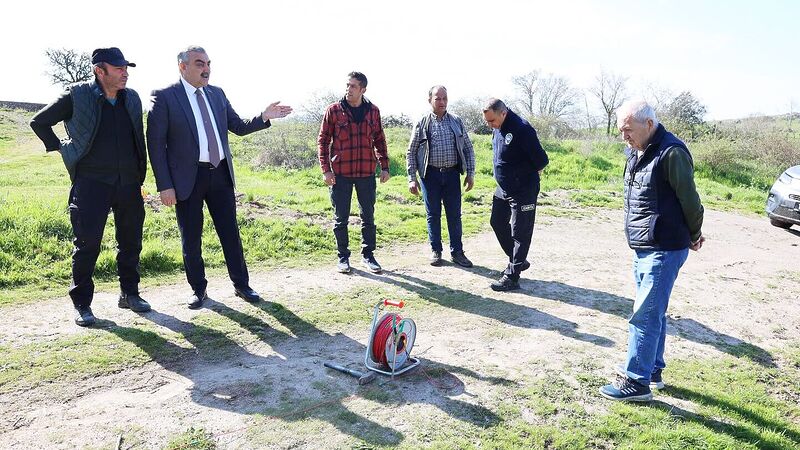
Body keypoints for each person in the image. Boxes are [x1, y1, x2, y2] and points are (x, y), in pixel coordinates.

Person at [146, 46, 292, 309]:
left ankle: (242, 285)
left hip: (220, 174)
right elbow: (155, 145)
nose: (207, 69)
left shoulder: (217, 94)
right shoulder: (165, 97)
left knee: (230, 233)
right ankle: (198, 289)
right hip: (187, 180)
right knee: (191, 236)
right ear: (182, 67)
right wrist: (164, 185)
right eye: (200, 63)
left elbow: (237, 126)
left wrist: (263, 117)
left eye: (209, 63)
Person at [29, 47, 151, 326]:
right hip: (91, 183)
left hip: (128, 183)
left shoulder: (131, 99)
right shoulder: (78, 95)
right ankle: (82, 304)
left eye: (126, 68)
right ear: (100, 70)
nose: (125, 73)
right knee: (87, 245)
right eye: (119, 68)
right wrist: (63, 149)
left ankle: (130, 294)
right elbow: (39, 122)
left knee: (131, 242)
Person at [599, 100, 704, 402]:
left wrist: (694, 235)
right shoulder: (639, 149)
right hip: (645, 245)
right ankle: (653, 368)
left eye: (628, 131)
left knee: (644, 315)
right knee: (653, 313)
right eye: (622, 131)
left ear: (648, 124)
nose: (624, 137)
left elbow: (690, 201)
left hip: (664, 247)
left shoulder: (672, 153)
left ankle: (636, 380)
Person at [317, 71, 390, 274]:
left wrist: (384, 166)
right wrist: (326, 170)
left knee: (368, 216)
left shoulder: (373, 111)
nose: (348, 89)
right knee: (341, 218)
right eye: (347, 85)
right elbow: (323, 141)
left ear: (363, 89)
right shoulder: (333, 111)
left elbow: (379, 140)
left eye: (353, 86)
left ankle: (369, 256)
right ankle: (343, 257)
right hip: (341, 173)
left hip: (366, 171)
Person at [482, 98, 548, 291]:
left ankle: (512, 276)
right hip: (503, 188)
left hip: (523, 189)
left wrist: (523, 175)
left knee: (520, 232)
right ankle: (519, 260)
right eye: (487, 121)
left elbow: (541, 160)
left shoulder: (522, 129)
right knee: (497, 222)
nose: (489, 125)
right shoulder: (497, 127)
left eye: (492, 121)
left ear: (503, 113)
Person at [406, 86, 476, 267]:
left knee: (454, 215)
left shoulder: (456, 121)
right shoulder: (422, 122)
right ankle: (436, 251)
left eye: (445, 98)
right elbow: (411, 151)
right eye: (438, 98)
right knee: (433, 215)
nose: (442, 102)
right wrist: (412, 178)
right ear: (430, 100)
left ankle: (457, 252)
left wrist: (470, 173)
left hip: (452, 174)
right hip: (430, 176)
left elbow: (468, 148)